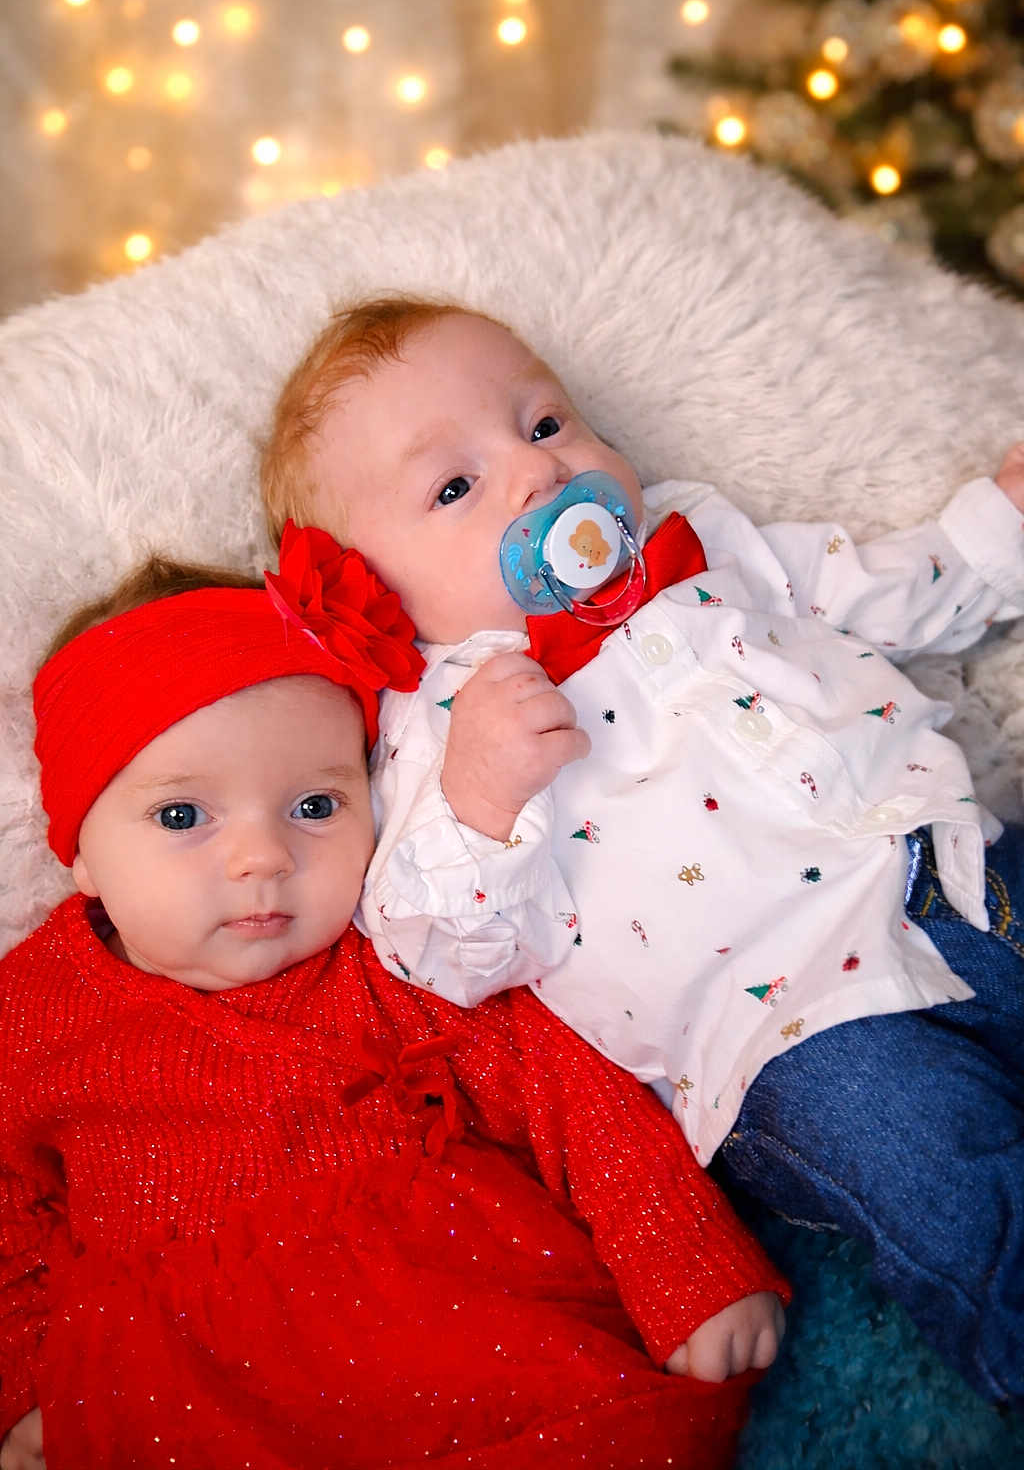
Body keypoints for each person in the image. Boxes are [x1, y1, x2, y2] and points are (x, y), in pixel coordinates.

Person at [260, 295, 1024, 1408]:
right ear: (379, 589)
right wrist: (480, 797)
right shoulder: (434, 724)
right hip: (786, 1032)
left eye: (543, 425)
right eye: (454, 487)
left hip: (948, 866)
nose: (535, 478)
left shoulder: (698, 540)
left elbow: (876, 595)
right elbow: (438, 953)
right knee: (938, 1172)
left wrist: (994, 528)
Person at [0, 534, 789, 1470]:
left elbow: (570, 1095)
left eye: (315, 807)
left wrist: (687, 1264)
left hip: (466, 1328)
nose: (264, 858)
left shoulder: (398, 954)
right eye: (183, 817)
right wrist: (25, 1374)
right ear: (79, 852)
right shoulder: (33, 1013)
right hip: (181, 1381)